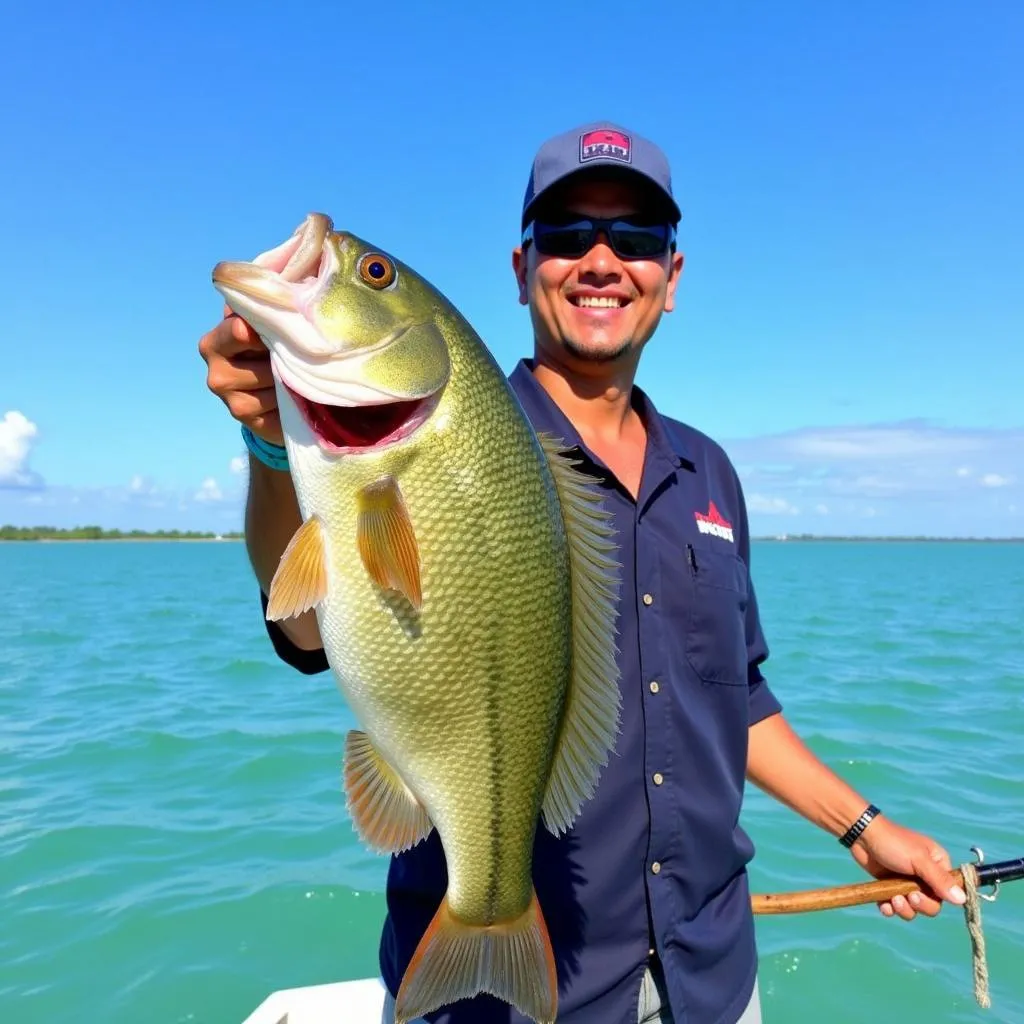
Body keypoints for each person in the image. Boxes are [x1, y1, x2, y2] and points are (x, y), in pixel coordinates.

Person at [199, 122, 968, 1024]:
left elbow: (735, 699)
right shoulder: (465, 432)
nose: (601, 260)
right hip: (517, 994)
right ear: (524, 269)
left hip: (711, 975)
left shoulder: (710, 473)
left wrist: (866, 830)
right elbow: (301, 629)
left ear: (670, 280)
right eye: (568, 237)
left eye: (635, 240)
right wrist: (268, 446)